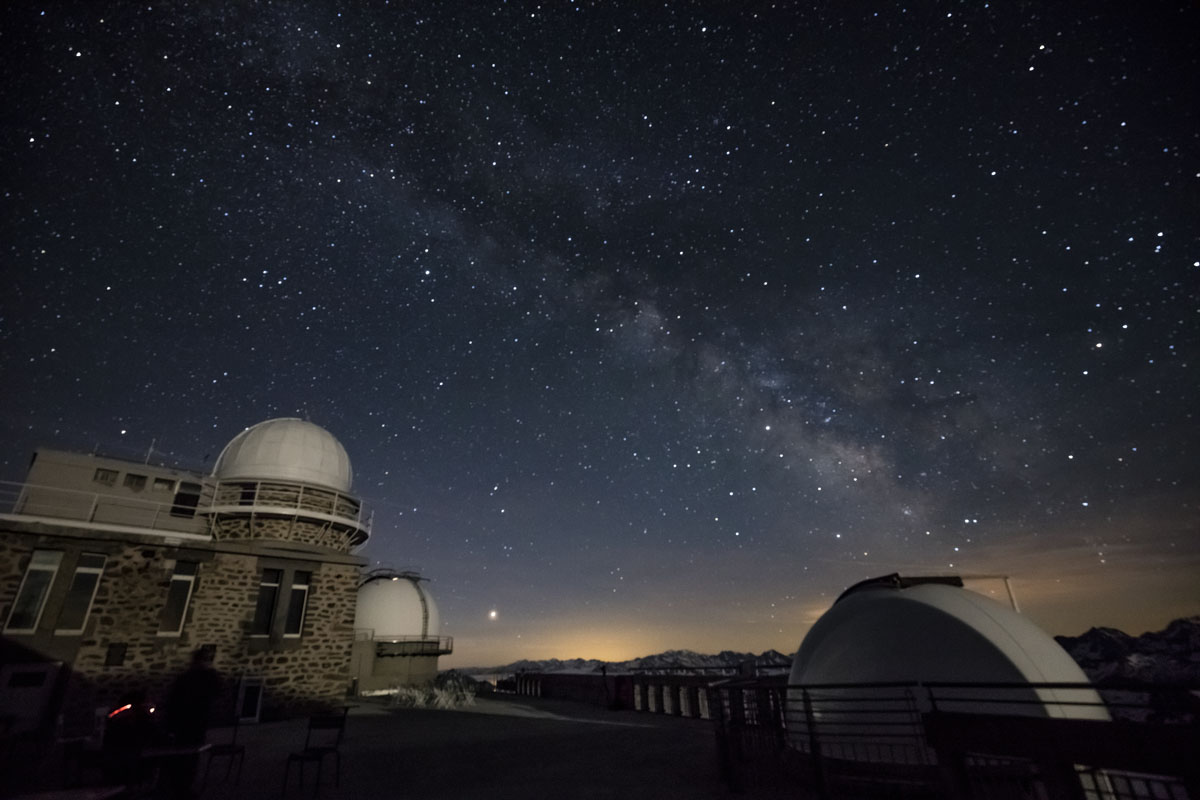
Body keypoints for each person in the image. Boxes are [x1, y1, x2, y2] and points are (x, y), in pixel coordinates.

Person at [163, 648, 222, 798]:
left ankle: (179, 786)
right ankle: (179, 786)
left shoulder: (191, 677)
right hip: (192, 720)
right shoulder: (201, 677)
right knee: (187, 754)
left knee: (187, 753)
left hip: (190, 720)